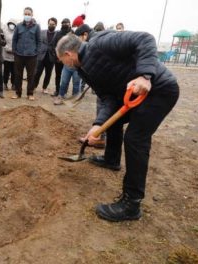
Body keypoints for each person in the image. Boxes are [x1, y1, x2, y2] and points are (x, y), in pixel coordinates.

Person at [56, 33, 179, 222]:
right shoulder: (84, 69)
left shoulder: (100, 44)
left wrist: (145, 76)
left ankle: (132, 204)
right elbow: (108, 98)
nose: (63, 64)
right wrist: (97, 125)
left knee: (135, 139)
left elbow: (145, 39)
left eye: (62, 60)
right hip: (135, 96)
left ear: (68, 54)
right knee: (114, 122)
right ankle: (111, 159)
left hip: (159, 89)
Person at [75, 24, 105, 149]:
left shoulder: (95, 41)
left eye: (79, 39)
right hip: (105, 79)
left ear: (85, 35)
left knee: (103, 105)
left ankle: (100, 137)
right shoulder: (94, 41)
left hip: (109, 80)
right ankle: (100, 135)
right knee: (102, 105)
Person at [11, 7, 41, 100]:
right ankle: (18, 93)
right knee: (18, 74)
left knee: (31, 75)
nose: (27, 15)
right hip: (19, 55)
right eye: (25, 14)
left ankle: (30, 94)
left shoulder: (36, 27)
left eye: (29, 14)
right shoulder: (19, 26)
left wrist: (36, 52)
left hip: (31, 56)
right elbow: (14, 39)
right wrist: (14, 50)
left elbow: (39, 41)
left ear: (32, 15)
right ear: (23, 14)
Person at [33, 17, 57, 94]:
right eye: (50, 24)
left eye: (53, 24)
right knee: (37, 72)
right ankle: (34, 86)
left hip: (51, 57)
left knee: (48, 73)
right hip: (41, 55)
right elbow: (38, 41)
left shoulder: (57, 34)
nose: (51, 25)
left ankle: (44, 88)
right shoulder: (42, 32)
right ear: (48, 24)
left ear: (56, 25)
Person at [50, 18, 72, 97]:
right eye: (63, 23)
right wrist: (57, 56)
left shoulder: (72, 34)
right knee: (58, 75)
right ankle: (57, 90)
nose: (65, 24)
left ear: (70, 24)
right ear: (61, 24)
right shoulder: (58, 33)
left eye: (67, 23)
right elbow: (53, 45)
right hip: (58, 59)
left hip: (67, 60)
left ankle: (64, 92)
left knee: (66, 76)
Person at [2, 19, 17, 91]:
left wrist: (15, 49)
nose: (11, 25)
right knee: (6, 71)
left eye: (13, 24)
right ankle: (5, 83)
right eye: (10, 24)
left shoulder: (17, 32)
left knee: (14, 71)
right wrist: (6, 48)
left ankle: (13, 84)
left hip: (14, 56)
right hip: (6, 55)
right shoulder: (4, 31)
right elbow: (2, 41)